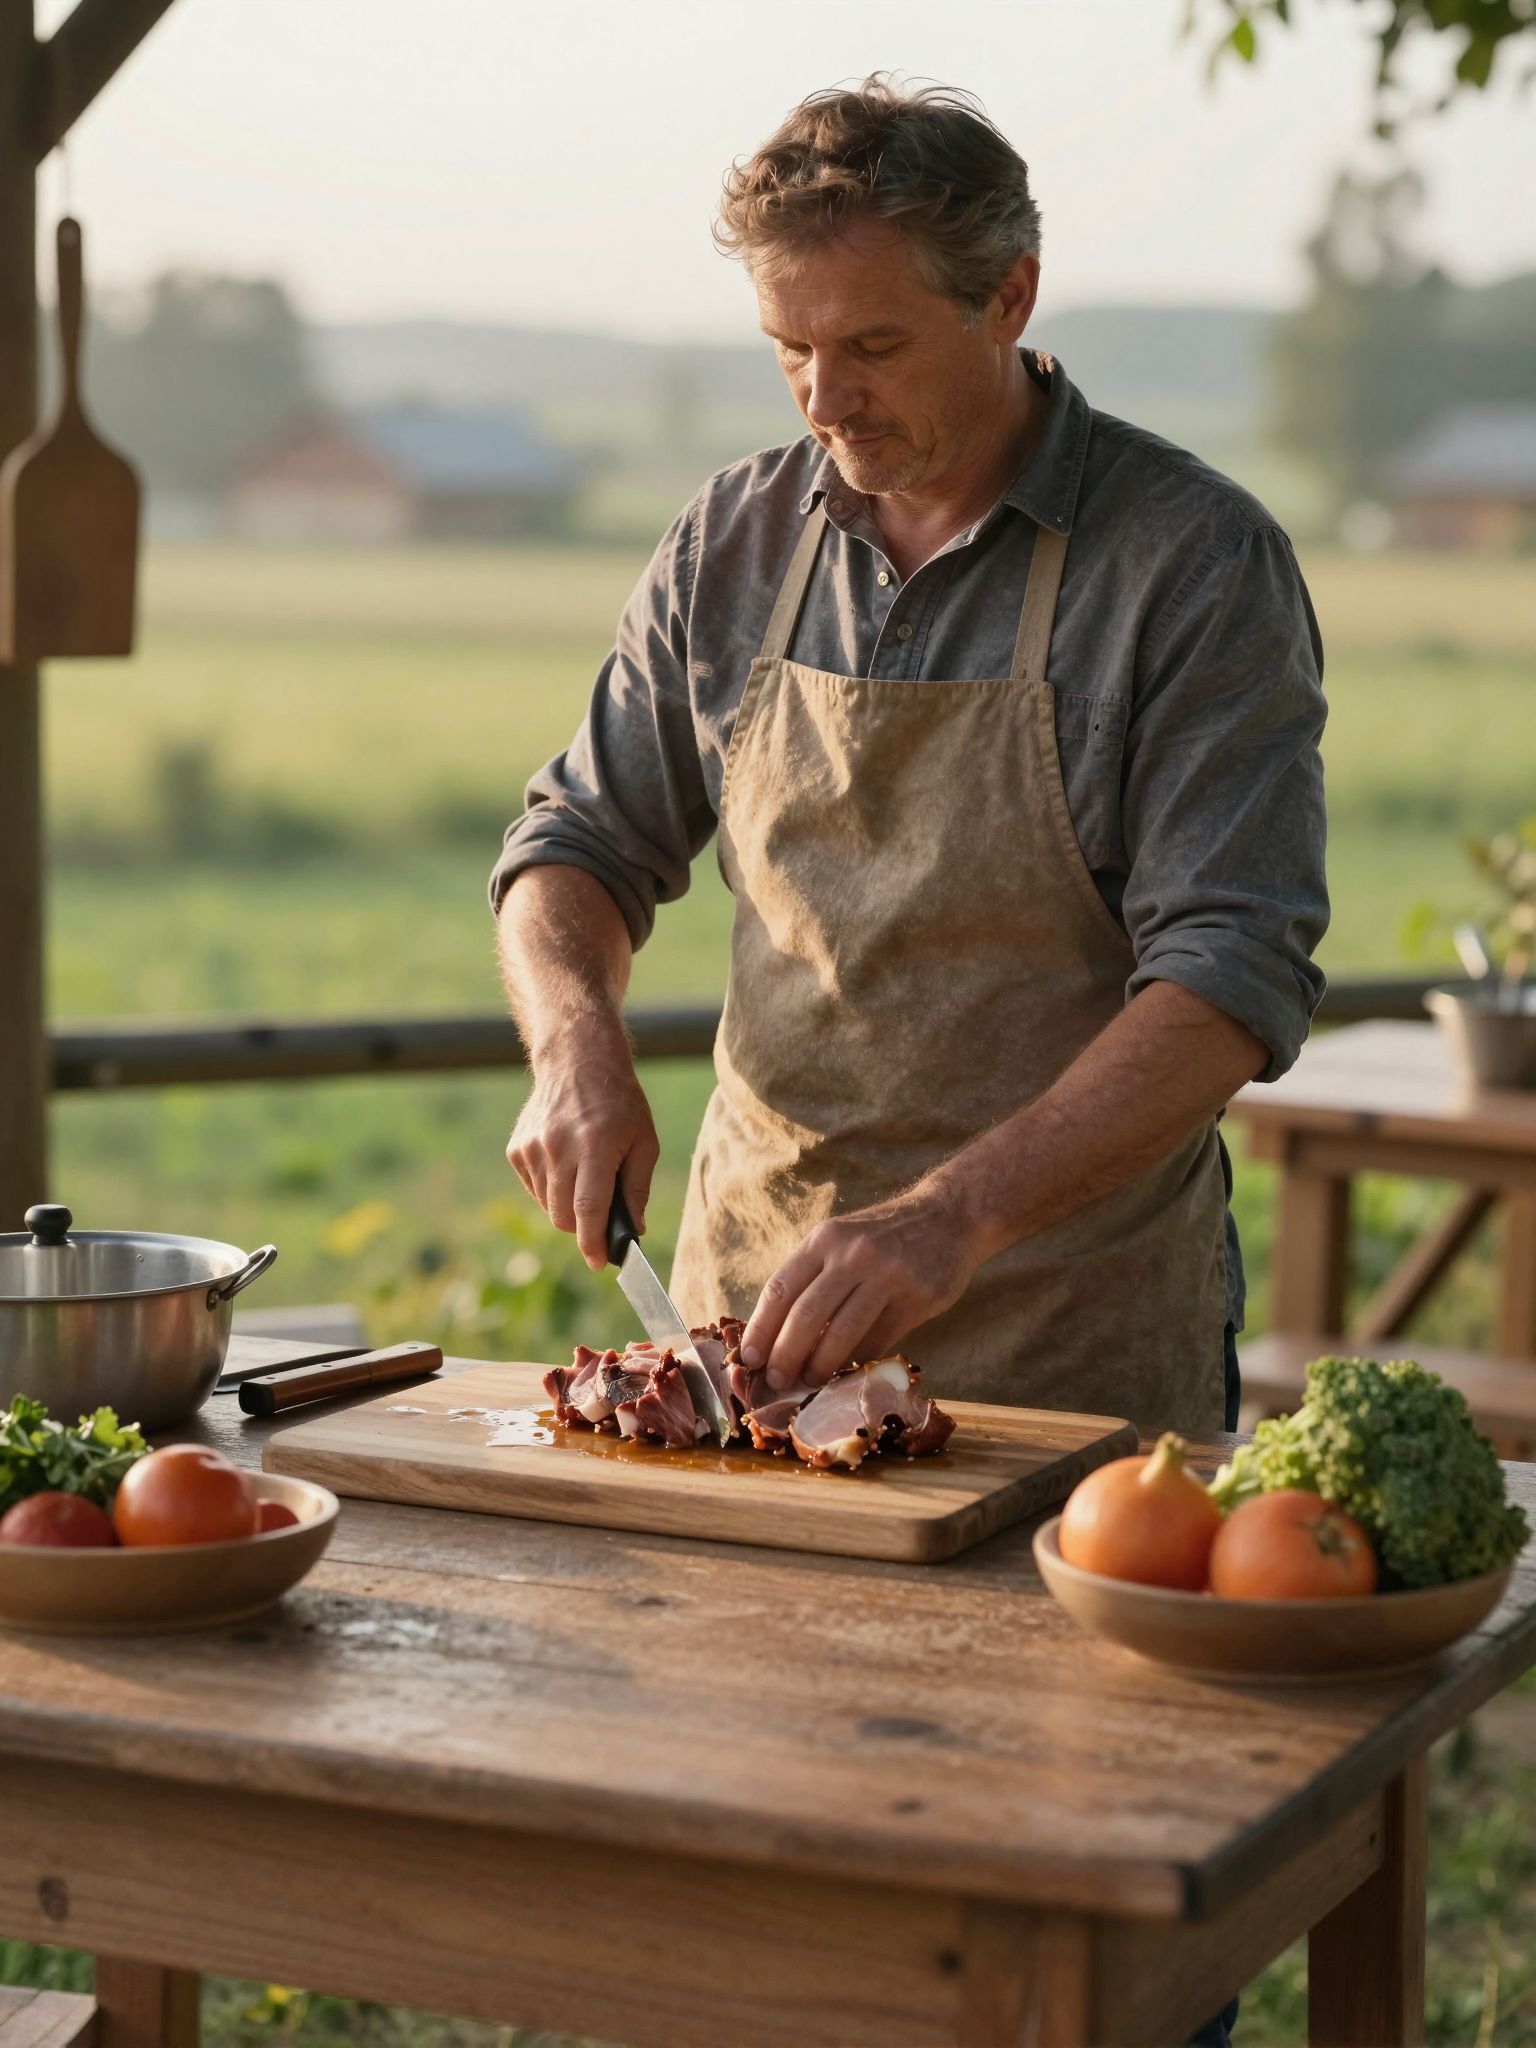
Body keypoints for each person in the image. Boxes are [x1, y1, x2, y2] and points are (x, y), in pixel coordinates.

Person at [491, 75, 1328, 1447]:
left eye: (873, 343)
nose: (828, 398)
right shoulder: (732, 542)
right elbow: (573, 844)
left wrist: (953, 1217)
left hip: (1071, 1359)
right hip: (743, 1353)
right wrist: (574, 1044)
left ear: (1009, 297)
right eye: (788, 348)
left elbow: (1230, 979)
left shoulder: (1194, 562)